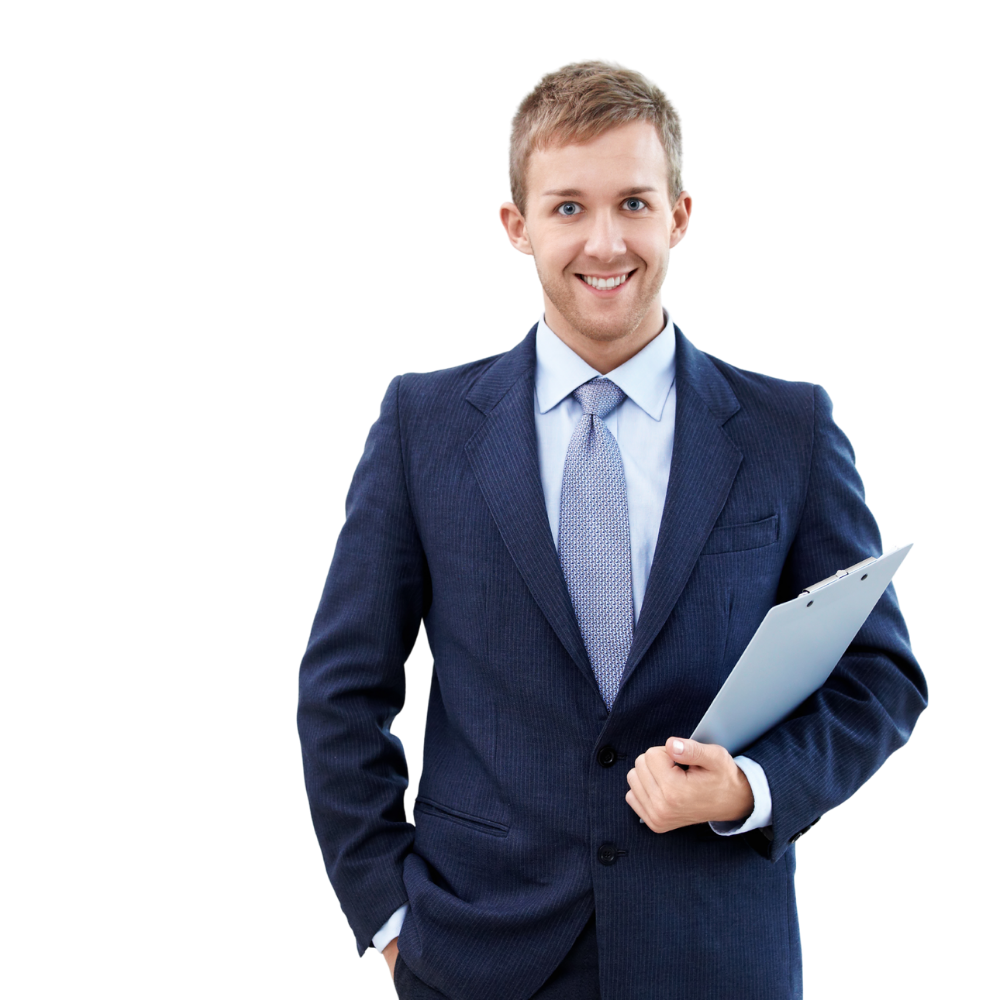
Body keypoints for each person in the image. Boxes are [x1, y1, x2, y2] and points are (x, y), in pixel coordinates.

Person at [296, 58, 928, 1000]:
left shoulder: (786, 432)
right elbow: (342, 691)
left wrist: (752, 788)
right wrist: (389, 913)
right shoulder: (421, 423)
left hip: (714, 956)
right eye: (567, 207)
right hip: (474, 956)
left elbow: (882, 677)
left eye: (634, 203)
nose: (604, 241)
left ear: (679, 218)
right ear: (515, 228)